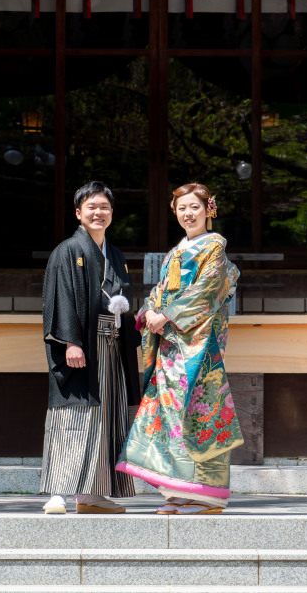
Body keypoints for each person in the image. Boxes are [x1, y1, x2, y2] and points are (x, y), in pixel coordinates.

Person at [116, 182, 243, 515]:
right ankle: (177, 490)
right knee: (168, 414)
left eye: (195, 207)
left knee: (197, 410)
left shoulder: (214, 247)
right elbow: (159, 292)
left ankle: (207, 495)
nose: (188, 213)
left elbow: (206, 292)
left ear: (208, 210)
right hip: (171, 346)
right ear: (175, 212)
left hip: (198, 347)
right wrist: (148, 312)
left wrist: (167, 316)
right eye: (182, 208)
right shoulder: (175, 252)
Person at [40, 180, 140, 514]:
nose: (98, 213)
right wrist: (71, 341)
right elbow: (62, 297)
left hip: (110, 348)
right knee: (73, 414)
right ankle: (59, 491)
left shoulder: (116, 255)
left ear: (112, 213)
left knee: (106, 415)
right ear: (78, 212)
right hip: (82, 345)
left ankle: (92, 493)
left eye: (105, 207)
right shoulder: (68, 251)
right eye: (92, 207)